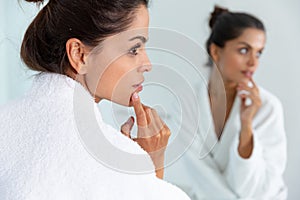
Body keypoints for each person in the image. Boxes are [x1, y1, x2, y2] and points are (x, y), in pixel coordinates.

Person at [0, 0, 191, 199]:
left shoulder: (5, 124)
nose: (147, 64)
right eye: (134, 49)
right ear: (79, 55)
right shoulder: (110, 159)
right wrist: (151, 167)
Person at [164, 6, 287, 200]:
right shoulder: (185, 103)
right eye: (244, 50)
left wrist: (246, 127)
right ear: (215, 51)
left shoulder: (268, 108)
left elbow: (257, 191)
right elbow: (199, 174)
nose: (253, 63)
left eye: (259, 53)